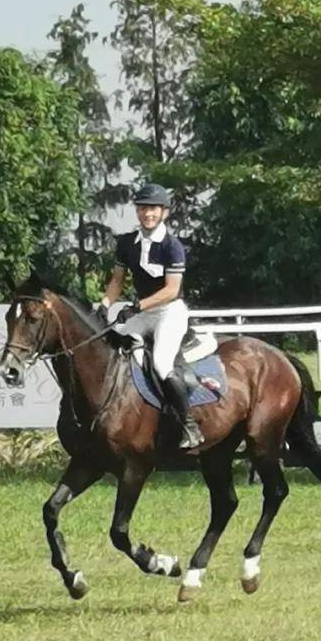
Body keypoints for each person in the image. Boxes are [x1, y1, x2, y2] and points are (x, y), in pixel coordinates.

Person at [100, 182, 204, 450]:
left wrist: (137, 306)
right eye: (143, 208)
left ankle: (188, 424)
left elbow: (171, 290)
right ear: (138, 212)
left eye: (153, 209)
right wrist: (104, 303)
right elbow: (117, 281)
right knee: (111, 346)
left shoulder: (172, 247)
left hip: (169, 312)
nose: (148, 214)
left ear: (164, 212)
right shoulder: (127, 244)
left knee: (160, 363)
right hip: (144, 312)